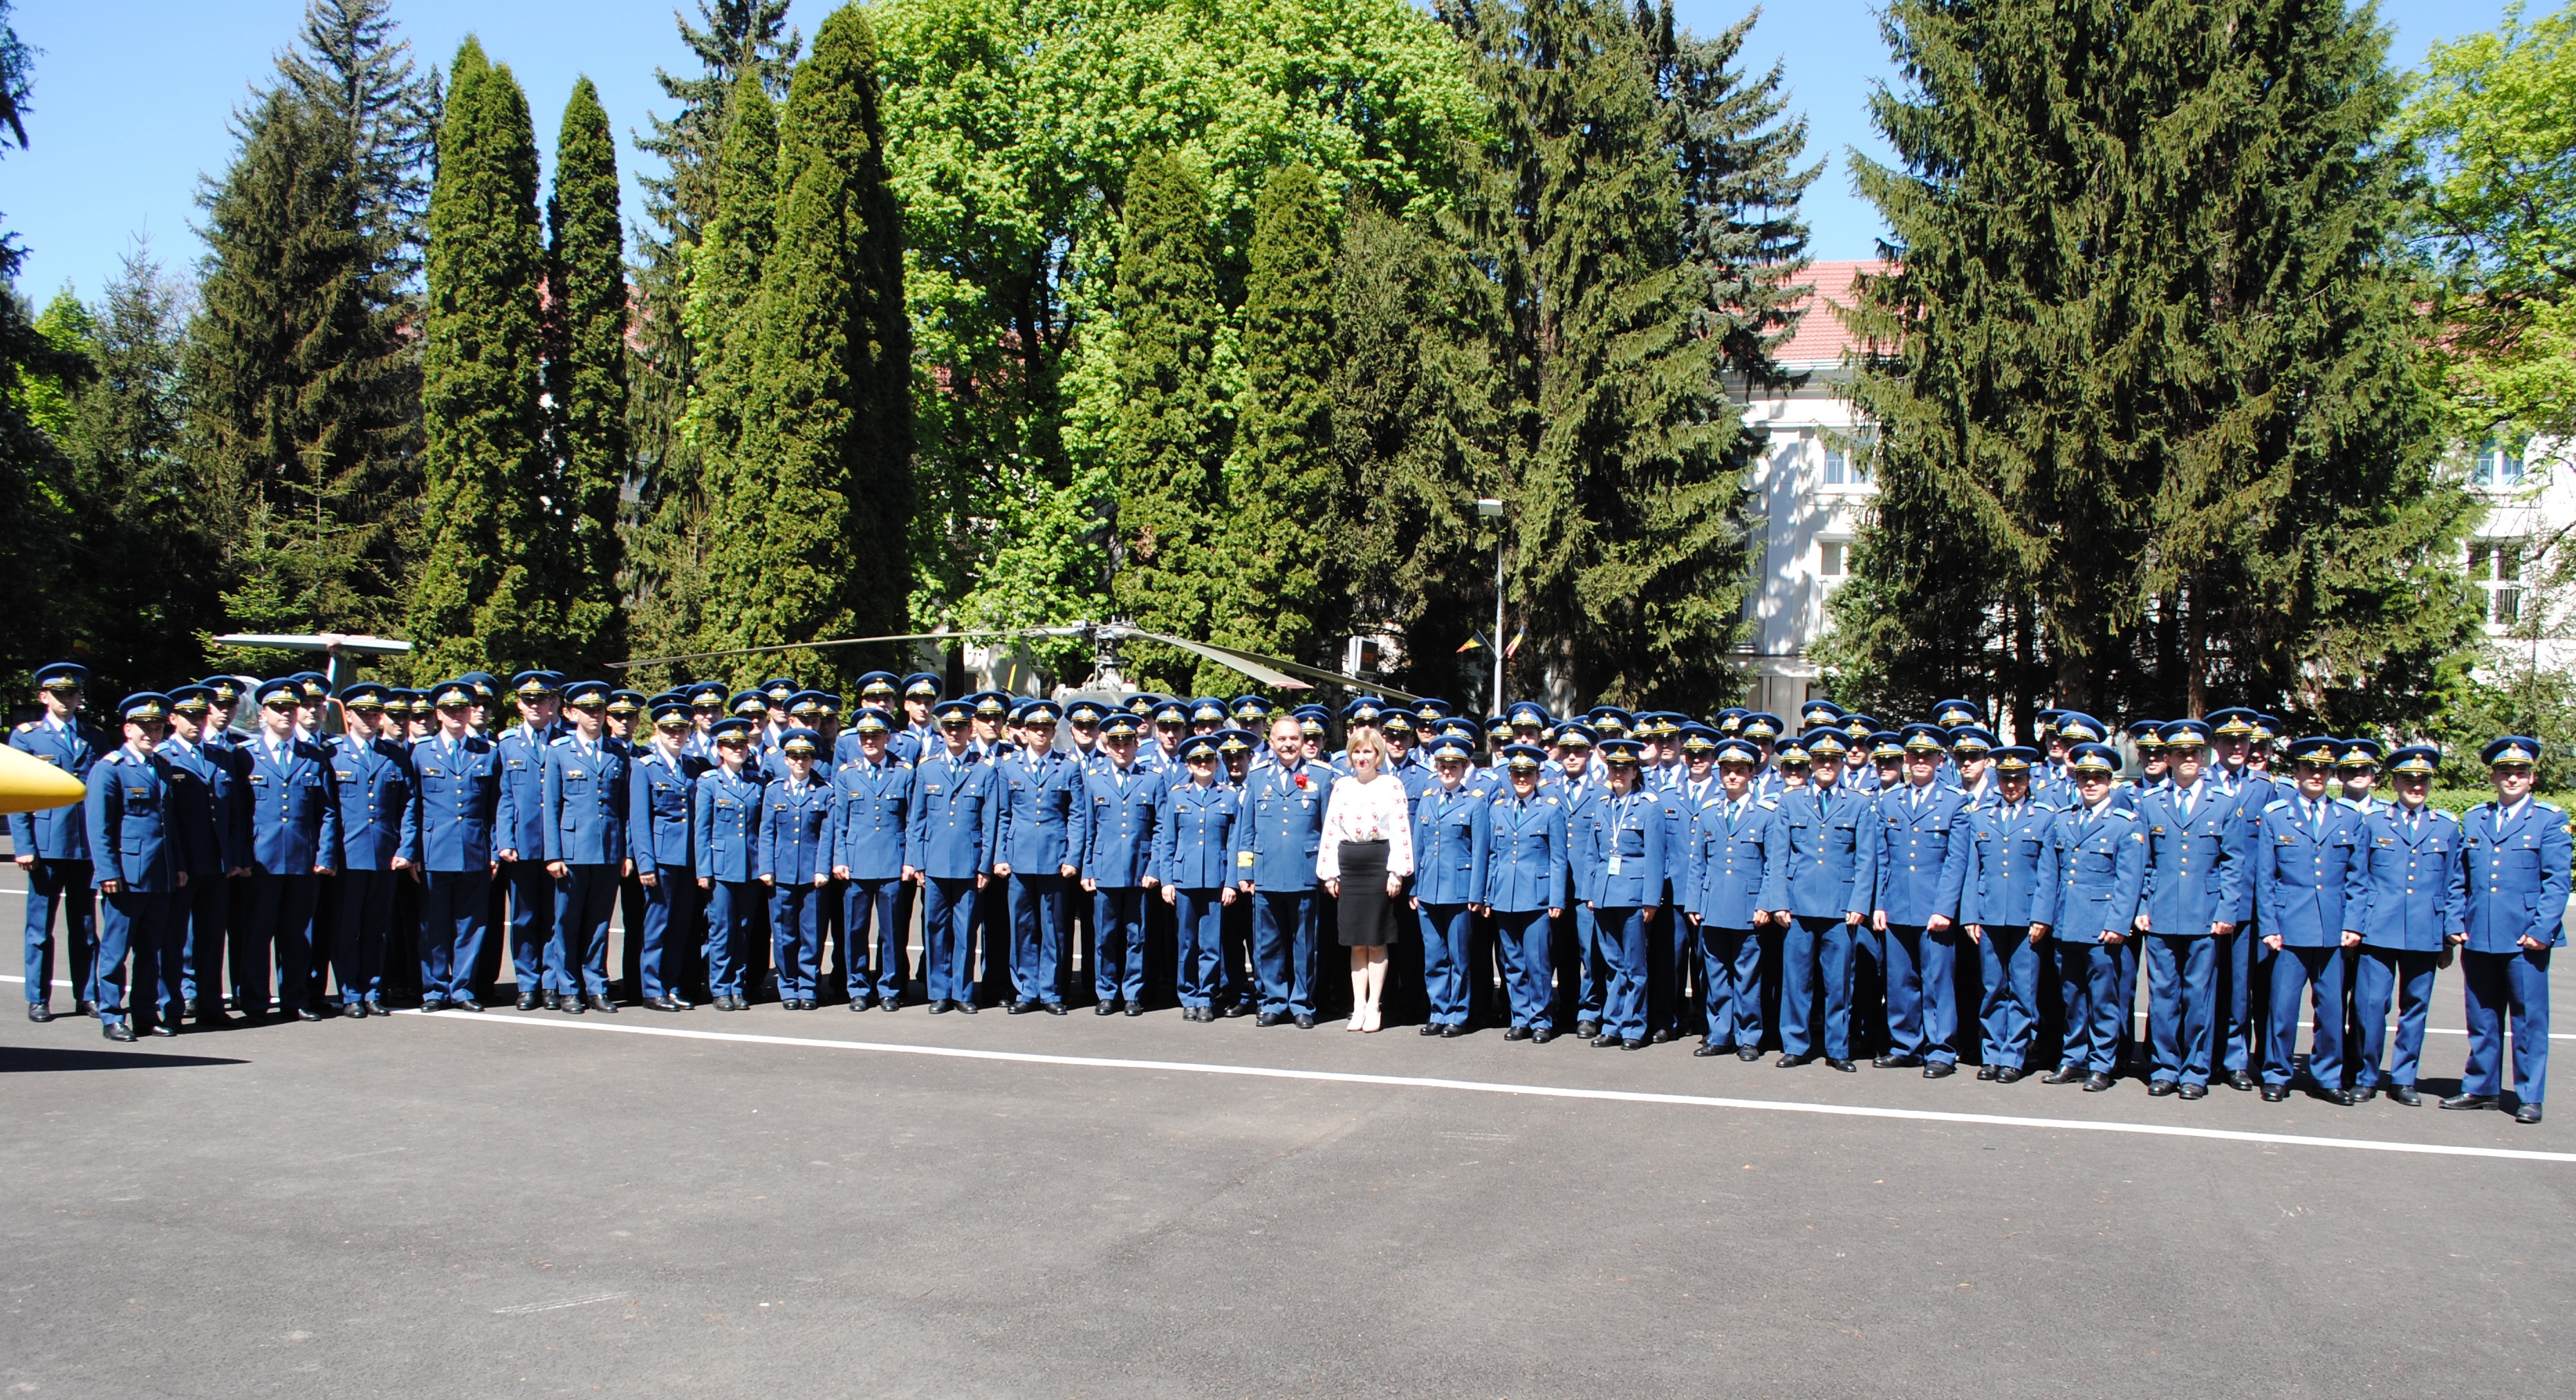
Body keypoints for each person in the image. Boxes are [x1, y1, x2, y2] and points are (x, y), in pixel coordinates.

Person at [2443, 736, 2568, 1124]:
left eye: (2521, 772)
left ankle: (2530, 1095)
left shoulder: (2549, 819)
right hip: (2479, 933)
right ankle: (2481, 1088)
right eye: (2505, 772)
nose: (2512, 778)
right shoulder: (2477, 817)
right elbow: (2459, 878)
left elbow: (2557, 881)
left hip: (2525, 937)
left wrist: (2542, 929)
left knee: (2529, 1020)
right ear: (2493, 776)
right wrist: (2455, 920)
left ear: (2532, 778)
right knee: (2481, 1016)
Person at [2129, 720, 2245, 1098]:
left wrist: (2227, 911)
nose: (2189, 760)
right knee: (2162, 996)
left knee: (2199, 997)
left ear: (2203, 757)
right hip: (2162, 914)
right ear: (2169, 759)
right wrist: (2142, 905)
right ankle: (2164, 1066)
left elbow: (2233, 863)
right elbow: (2144, 862)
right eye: (2181, 754)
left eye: (2195, 753)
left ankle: (2195, 1069)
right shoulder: (2150, 803)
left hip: (2205, 916)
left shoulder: (2224, 803)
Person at [2344, 745, 2463, 1107]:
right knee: (2369, 1006)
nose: (2416, 785)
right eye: (2408, 779)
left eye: (2422, 780)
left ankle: (2404, 1079)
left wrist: (2450, 930)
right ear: (2394, 782)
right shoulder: (2373, 822)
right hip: (2378, 928)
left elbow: (2454, 882)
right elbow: (2358, 877)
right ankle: (2366, 1075)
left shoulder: (2446, 825)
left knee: (2415, 1008)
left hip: (2425, 929)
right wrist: (2356, 925)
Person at [2250, 736, 2366, 1104]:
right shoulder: (2276, 815)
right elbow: (2265, 878)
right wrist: (2269, 926)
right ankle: (2277, 1073)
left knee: (2331, 1009)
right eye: (2308, 769)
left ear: (2331, 775)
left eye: (2323, 770)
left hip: (2333, 928)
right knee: (2282, 1008)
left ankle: (2328, 1076)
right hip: (2288, 928)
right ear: (2296, 772)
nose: (2316, 775)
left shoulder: (2349, 817)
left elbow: (2358, 879)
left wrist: (2354, 924)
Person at [85, 693, 197, 1040]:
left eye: (157, 726)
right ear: (127, 728)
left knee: (152, 951)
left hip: (159, 875)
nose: (151, 733)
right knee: (116, 952)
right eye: (144, 727)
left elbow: (169, 825)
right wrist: (108, 873)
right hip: (125, 877)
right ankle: (111, 1016)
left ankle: (146, 1014)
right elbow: (99, 827)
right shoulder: (110, 768)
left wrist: (177, 865)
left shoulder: (161, 767)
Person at [1869, 725, 1972, 1076]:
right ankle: (1905, 1044)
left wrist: (1945, 908)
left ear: (1940, 761)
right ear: (1906, 761)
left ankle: (1941, 1049)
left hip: (1933, 909)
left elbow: (1957, 861)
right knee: (1899, 981)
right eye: (1914, 756)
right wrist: (1879, 904)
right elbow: (1882, 857)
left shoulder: (1955, 801)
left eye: (1928, 756)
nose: (1920, 761)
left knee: (1938, 981)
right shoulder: (1889, 800)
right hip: (1897, 904)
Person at [1679, 737, 1788, 1060]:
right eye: (1727, 771)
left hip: (1748, 908)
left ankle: (1749, 1037)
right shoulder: (1710, 811)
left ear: (1751, 774)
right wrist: (1694, 904)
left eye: (1739, 771)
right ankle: (1719, 1034)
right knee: (1715, 975)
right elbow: (1697, 863)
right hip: (1713, 907)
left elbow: (1773, 864)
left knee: (1747, 977)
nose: (1732, 777)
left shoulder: (1767, 813)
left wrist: (1765, 904)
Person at [239, 678, 341, 1023]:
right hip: (260, 863)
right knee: (256, 936)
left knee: (298, 936)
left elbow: (326, 811)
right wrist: (241, 858)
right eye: (277, 709)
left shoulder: (313, 756)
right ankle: (254, 1001)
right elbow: (237, 814)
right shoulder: (245, 756)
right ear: (263, 713)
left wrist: (324, 855)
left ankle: (295, 999)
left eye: (290, 709)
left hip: (302, 860)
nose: (285, 714)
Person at [1775, 730, 1873, 1071]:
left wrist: (1860, 903)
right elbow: (1778, 856)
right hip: (1798, 906)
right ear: (1811, 764)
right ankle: (1796, 1045)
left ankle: (1838, 1049)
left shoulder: (1859, 803)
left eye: (1833, 761)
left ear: (1842, 764)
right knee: (1796, 980)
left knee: (1838, 982)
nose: (1826, 765)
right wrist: (1778, 901)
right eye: (1820, 761)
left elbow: (1866, 859)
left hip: (1840, 908)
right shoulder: (1790, 801)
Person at [404, 680, 501, 1012]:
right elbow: (412, 805)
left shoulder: (487, 752)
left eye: (462, 709)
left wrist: (495, 850)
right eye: (450, 710)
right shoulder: (421, 752)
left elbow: (496, 807)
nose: (457, 715)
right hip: (433, 850)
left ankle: (462, 989)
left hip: (474, 849)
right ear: (439, 714)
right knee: (433, 924)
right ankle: (434, 989)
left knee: (470, 926)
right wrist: (411, 851)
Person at [1958, 745, 2053, 1081]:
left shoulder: (2043, 817)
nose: (2011, 785)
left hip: (2027, 917)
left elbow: (2048, 871)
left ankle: (2014, 1055)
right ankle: (1992, 1053)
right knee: (1993, 987)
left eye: (2018, 779)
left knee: (2023, 990)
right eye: (2005, 779)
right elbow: (1972, 870)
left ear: (2029, 780)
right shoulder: (1981, 816)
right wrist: (1969, 914)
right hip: (1989, 914)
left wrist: (2042, 916)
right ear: (1996, 780)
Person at [13, 662, 102, 1020]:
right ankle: (38, 997)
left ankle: (87, 995)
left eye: (73, 693)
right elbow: (19, 794)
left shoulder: (93, 736)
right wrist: (24, 844)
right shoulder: (28, 737)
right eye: (60, 694)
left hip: (84, 845)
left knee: (84, 927)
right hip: (46, 844)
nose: (67, 700)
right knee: (40, 927)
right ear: (43, 697)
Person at [159, 686, 245, 1027]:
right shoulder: (165, 756)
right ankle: (174, 1006)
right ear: (173, 719)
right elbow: (167, 819)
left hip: (217, 863)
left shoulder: (220, 756)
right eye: (188, 717)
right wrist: (176, 862)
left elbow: (234, 813)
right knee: (176, 939)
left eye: (200, 716)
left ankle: (210, 1003)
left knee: (212, 936)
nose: (196, 722)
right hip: (185, 863)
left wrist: (235, 856)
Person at [541, 682, 629, 1015]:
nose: (594, 715)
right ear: (572, 713)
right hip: (572, 850)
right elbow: (550, 806)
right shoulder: (559, 751)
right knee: (566, 922)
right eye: (587, 710)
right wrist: (553, 854)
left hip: (608, 850)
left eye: (599, 710)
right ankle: (568, 988)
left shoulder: (618, 752)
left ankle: (596, 985)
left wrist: (627, 852)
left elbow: (624, 809)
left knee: (600, 923)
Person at [1237, 713, 1329, 1028]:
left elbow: (1329, 830)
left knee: (1305, 944)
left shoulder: (1321, 776)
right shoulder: (1257, 776)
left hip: (1305, 873)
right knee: (1268, 944)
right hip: (1266, 872)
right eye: (1282, 739)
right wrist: (1245, 872)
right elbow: (1246, 830)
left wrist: (1329, 872)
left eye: (1294, 739)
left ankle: (1302, 1004)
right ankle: (1273, 1002)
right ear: (1271, 742)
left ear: (1304, 742)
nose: (1289, 744)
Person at [1319, 727, 1414, 1033]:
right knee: (1355, 941)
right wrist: (1330, 872)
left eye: (1368, 752)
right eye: (1357, 752)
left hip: (1377, 864)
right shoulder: (1342, 787)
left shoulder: (1392, 785)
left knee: (1376, 939)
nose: (1362, 758)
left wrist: (1396, 871)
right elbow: (1331, 830)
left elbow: (1401, 830)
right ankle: (1358, 1005)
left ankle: (1375, 1005)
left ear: (1378, 755)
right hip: (1349, 866)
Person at [326, 684, 411, 1018]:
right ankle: (350, 992)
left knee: (378, 928)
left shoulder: (394, 754)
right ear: (348, 716)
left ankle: (373, 990)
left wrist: (406, 847)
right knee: (347, 928)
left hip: (385, 854)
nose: (371, 719)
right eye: (363, 714)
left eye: (376, 714)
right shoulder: (333, 753)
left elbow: (409, 805)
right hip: (347, 856)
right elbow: (327, 810)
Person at [909, 698, 999, 1014]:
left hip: (969, 863)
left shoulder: (985, 769)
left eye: (960, 727)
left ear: (970, 730)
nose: (955, 733)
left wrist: (985, 865)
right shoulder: (927, 768)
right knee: (935, 928)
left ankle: (962, 992)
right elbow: (916, 821)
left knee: (965, 931)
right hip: (934, 862)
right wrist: (916, 861)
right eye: (949, 727)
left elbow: (991, 822)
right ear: (942, 731)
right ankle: (938, 992)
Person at [994, 701, 1079, 1015]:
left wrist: (1073, 856)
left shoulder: (1068, 767)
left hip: (1055, 859)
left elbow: (1077, 816)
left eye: (1046, 729)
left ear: (1053, 732)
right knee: (1023, 927)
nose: (1041, 734)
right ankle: (1026, 990)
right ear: (1024, 732)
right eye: (1035, 729)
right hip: (1018, 859)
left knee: (1054, 929)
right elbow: (1002, 815)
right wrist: (1000, 856)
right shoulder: (1008, 767)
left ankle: (1052, 991)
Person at [831, 707, 917, 1012]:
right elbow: (839, 822)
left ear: (887, 738)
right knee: (855, 930)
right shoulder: (847, 775)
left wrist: (910, 860)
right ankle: (857, 987)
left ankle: (890, 988)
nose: (869, 741)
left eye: (876, 736)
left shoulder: (904, 772)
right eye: (864, 736)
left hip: (893, 862)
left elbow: (912, 822)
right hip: (856, 862)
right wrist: (839, 859)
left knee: (892, 931)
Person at [1579, 738, 1663, 1050]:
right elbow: (1592, 854)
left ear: (1635, 772)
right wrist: (1589, 892)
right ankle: (1612, 1024)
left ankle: (1633, 1027)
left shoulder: (1649, 807)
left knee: (1634, 966)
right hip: (1604, 893)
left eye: (1625, 769)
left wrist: (1651, 899)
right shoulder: (1602, 806)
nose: (1618, 774)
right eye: (1614, 768)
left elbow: (1656, 856)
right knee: (1613, 964)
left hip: (1633, 894)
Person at [1075, 712, 1161, 1016]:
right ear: (1107, 746)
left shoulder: (1151, 779)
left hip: (1139, 870)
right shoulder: (1094, 780)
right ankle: (1106, 992)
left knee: (1137, 936)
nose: (1121, 749)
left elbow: (1160, 828)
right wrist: (1087, 868)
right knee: (1106, 936)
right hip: (1104, 868)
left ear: (1137, 744)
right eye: (1115, 743)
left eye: (1127, 743)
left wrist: (1154, 868)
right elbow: (1087, 828)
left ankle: (1133, 993)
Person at [1483, 744, 1569, 1043]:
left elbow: (1559, 858)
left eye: (1528, 773)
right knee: (1513, 963)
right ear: (1509, 775)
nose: (1522, 779)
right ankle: (1519, 1018)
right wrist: (1488, 895)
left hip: (1537, 897)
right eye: (1517, 773)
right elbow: (1493, 856)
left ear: (1537, 775)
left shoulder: (1550, 809)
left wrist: (1557, 898)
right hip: (1505, 895)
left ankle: (1541, 1020)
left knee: (1539, 963)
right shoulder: (1498, 809)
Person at [492, 671, 564, 1009]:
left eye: (542, 700)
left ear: (553, 704)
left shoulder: (565, 741)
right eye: (528, 701)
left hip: (557, 846)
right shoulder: (506, 745)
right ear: (520, 705)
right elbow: (504, 797)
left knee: (554, 917)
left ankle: (551, 983)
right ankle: (527, 983)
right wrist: (504, 840)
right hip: (521, 846)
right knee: (523, 918)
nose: (535, 706)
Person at [629, 700, 706, 1011]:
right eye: (669, 729)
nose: (676, 734)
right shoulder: (644, 767)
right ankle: (651, 988)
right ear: (656, 731)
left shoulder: (692, 766)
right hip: (661, 860)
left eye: (682, 729)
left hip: (688, 860)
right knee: (657, 926)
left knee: (680, 927)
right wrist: (645, 863)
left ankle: (671, 986)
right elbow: (639, 820)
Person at [1409, 735, 1488, 1037]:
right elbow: (1419, 848)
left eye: (1453, 766)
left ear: (1464, 766)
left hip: (1460, 890)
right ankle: (1438, 1011)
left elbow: (1481, 851)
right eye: (1442, 765)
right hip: (1429, 889)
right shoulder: (1428, 799)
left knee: (1459, 957)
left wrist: (1476, 893)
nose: (1447, 771)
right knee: (1434, 956)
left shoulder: (1475, 803)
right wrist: (1414, 888)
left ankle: (1458, 1013)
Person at [1158, 734, 1239, 1021]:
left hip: (1216, 881)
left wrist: (1231, 882)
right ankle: (1188, 995)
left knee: (1211, 943)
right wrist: (1166, 880)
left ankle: (1206, 996)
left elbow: (1235, 843)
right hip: (1184, 879)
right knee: (1186, 942)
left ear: (1217, 764)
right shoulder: (1177, 795)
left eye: (1208, 760)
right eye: (1197, 760)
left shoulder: (1229, 797)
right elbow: (1167, 841)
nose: (1203, 764)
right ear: (1189, 765)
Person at [759, 727, 834, 1010]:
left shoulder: (825, 792)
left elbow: (828, 835)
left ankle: (809, 987)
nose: (800, 761)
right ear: (786, 760)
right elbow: (766, 833)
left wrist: (823, 869)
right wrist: (766, 868)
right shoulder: (774, 790)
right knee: (783, 933)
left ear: (813, 759)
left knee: (812, 934)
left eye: (805, 756)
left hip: (812, 872)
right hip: (782, 872)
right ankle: (788, 986)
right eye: (794, 756)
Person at [694, 720, 766, 1011]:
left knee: (744, 929)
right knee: (721, 929)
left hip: (750, 866)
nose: (738, 750)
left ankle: (738, 986)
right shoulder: (709, 782)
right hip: (720, 866)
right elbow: (702, 829)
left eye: (742, 746)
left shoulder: (757, 782)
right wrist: (703, 870)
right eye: (731, 746)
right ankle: (720, 988)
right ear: (719, 750)